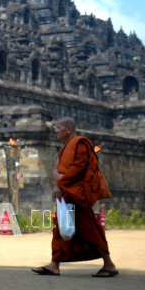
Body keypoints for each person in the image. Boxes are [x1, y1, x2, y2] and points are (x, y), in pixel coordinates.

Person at [32, 116, 117, 277]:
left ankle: (109, 264)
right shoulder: (65, 149)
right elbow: (55, 170)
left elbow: (79, 169)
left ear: (68, 129)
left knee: (88, 228)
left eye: (58, 127)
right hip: (67, 194)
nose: (56, 131)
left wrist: (59, 183)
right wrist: (60, 179)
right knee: (60, 227)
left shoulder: (81, 144)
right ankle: (54, 264)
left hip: (77, 195)